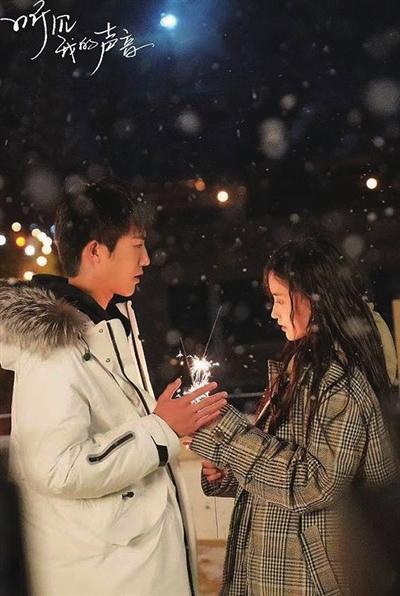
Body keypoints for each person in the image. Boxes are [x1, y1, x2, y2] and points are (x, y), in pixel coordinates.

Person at [0, 177, 227, 596]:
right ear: (95, 252)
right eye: (136, 245)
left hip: (135, 562)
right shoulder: (55, 345)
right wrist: (161, 428)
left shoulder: (112, 321)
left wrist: (172, 424)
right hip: (105, 573)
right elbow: (55, 468)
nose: (146, 259)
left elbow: (122, 430)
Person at [190, 235, 399, 596]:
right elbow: (286, 460)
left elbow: (315, 483)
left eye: (281, 299)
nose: (274, 312)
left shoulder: (339, 381)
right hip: (285, 570)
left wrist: (226, 432)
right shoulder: (301, 369)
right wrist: (232, 471)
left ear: (314, 299)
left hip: (310, 579)